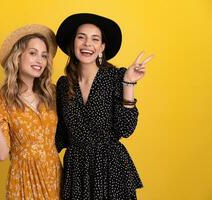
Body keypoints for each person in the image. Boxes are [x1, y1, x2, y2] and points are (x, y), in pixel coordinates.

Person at [55, 13, 153, 199]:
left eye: (94, 39)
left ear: (101, 47)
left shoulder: (116, 77)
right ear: (73, 43)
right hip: (76, 173)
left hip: (110, 169)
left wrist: (129, 83)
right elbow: (60, 136)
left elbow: (126, 129)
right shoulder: (63, 85)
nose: (87, 44)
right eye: (81, 37)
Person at [0, 24, 62, 200]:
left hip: (55, 177)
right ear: (17, 57)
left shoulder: (53, 93)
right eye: (33, 53)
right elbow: (1, 154)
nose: (40, 60)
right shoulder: (0, 100)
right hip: (24, 181)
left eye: (44, 55)